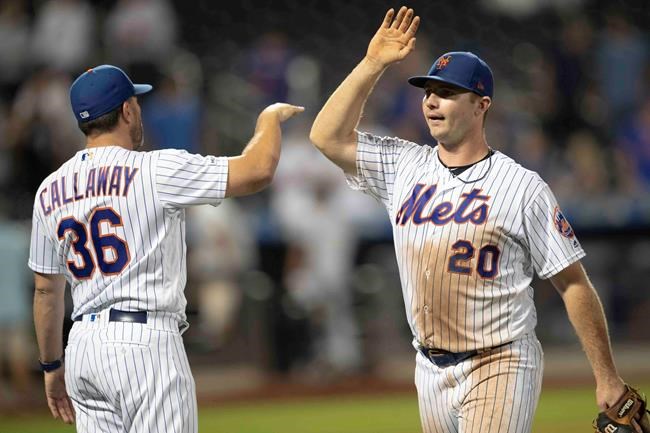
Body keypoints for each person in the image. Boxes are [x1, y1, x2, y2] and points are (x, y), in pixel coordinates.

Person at [309, 7, 629, 433]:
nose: (432, 101)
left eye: (447, 92)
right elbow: (325, 137)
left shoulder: (520, 186)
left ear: (481, 105)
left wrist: (606, 375)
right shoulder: (403, 165)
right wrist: (373, 64)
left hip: (500, 360)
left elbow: (573, 283)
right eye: (428, 92)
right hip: (429, 366)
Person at [28, 64, 302, 431]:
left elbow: (46, 291)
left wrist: (51, 367)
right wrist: (269, 118)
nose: (139, 109)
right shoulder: (156, 169)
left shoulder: (48, 190)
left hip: (81, 346)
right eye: (136, 102)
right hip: (143, 341)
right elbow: (257, 170)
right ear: (127, 110)